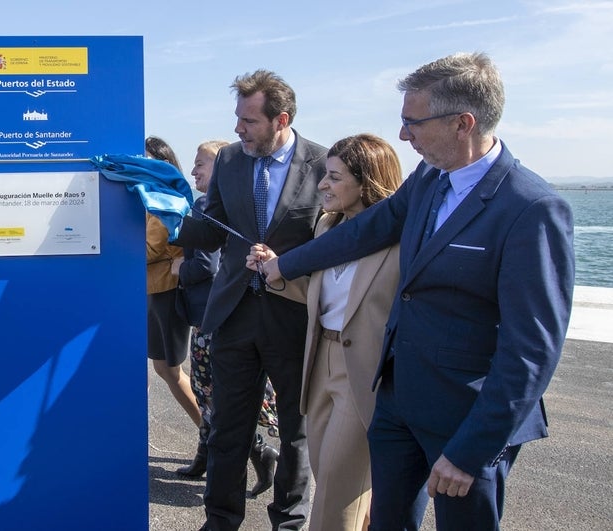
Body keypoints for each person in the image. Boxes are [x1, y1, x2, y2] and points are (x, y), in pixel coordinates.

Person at [253, 52, 575, 530]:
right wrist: (283, 266)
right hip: (398, 402)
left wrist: (470, 452)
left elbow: (531, 349)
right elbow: (364, 232)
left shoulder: (531, 208)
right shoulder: (429, 178)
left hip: (466, 418)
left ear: (463, 123)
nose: (403, 136)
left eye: (413, 122)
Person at [173, 70, 327, 530]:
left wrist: (289, 261)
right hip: (234, 314)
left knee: (296, 430)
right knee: (226, 430)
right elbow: (212, 227)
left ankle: (289, 521)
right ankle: (220, 520)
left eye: (248, 121)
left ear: (281, 119)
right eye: (237, 119)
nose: (238, 129)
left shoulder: (321, 163)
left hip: (293, 315)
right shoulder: (231, 163)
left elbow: (334, 238)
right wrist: (171, 209)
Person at [249, 134, 403, 530]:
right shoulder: (327, 227)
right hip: (320, 365)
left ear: (366, 182)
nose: (321, 185)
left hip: (364, 371)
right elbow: (322, 297)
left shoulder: (401, 241)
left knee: (336, 489)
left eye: (333, 177)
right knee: (333, 477)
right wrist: (275, 271)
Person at [174, 140, 279, 499]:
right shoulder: (220, 203)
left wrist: (178, 269)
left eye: (201, 164)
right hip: (214, 315)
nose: (194, 172)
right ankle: (205, 456)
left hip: (212, 316)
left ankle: (260, 453)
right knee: (210, 394)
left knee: (215, 395)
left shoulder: (207, 205)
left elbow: (207, 263)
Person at [145, 136, 202, 428]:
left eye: (146, 160)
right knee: (163, 368)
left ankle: (214, 437)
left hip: (168, 290)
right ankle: (211, 437)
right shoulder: (153, 193)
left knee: (171, 370)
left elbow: (152, 248)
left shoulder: (165, 197)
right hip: (156, 289)